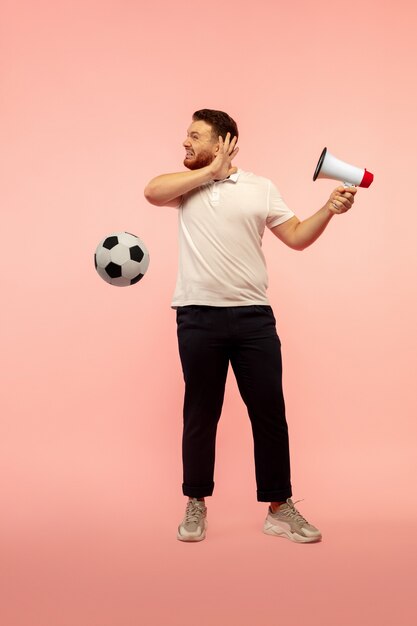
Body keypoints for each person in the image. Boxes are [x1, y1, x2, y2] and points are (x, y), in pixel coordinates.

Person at [144, 109, 356, 544]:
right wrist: (210, 173)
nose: (185, 142)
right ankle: (196, 503)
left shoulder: (260, 187)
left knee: (269, 412)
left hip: (254, 317)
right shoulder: (186, 187)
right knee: (201, 412)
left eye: (195, 136)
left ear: (224, 141)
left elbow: (296, 236)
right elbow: (151, 191)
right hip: (197, 315)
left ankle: (280, 509)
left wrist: (329, 209)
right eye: (186, 134)